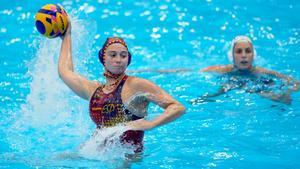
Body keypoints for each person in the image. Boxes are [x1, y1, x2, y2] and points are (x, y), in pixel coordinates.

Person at [58, 21, 185, 153]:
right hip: (95, 153)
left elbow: (177, 107)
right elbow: (65, 72)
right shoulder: (94, 90)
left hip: (126, 159)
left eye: (123, 55)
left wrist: (151, 123)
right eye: (113, 55)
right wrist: (66, 35)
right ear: (103, 58)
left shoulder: (136, 85)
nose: (118, 60)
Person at [196, 35, 299, 105]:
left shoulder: (261, 72)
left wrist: (289, 91)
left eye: (248, 51)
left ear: (253, 55)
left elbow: (295, 83)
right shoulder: (222, 69)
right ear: (232, 56)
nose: (244, 55)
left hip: (256, 84)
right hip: (234, 83)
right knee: (220, 91)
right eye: (239, 51)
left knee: (283, 99)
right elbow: (195, 72)